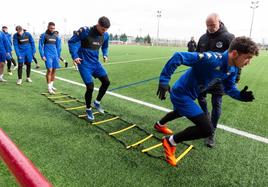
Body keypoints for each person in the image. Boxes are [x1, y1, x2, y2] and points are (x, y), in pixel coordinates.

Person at [154, 36, 258, 166]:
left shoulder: (233, 69)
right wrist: (164, 81)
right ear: (235, 53)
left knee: (179, 112)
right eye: (248, 57)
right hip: (181, 94)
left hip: (191, 94)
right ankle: (170, 142)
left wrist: (240, 96)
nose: (249, 62)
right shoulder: (212, 59)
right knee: (207, 129)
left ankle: (159, 124)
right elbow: (178, 56)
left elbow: (230, 88)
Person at [196, 13, 235, 147]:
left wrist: (236, 77)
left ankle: (211, 132)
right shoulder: (202, 38)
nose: (210, 28)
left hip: (220, 78)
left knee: (216, 103)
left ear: (219, 22)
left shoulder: (229, 38)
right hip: (203, 77)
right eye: (208, 25)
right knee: (200, 97)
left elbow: (236, 58)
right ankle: (206, 118)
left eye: (213, 25)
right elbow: (197, 56)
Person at [68, 16, 110, 121]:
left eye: (106, 30)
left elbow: (105, 46)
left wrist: (105, 54)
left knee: (106, 82)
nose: (103, 32)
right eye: (102, 29)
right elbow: (72, 42)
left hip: (95, 63)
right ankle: (88, 108)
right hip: (84, 63)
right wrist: (75, 56)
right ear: (98, 24)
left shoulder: (105, 35)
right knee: (90, 86)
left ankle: (97, 102)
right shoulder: (85, 31)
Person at [39, 22, 61, 94]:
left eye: (53, 28)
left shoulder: (56, 36)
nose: (52, 29)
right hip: (47, 55)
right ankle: (49, 88)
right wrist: (42, 55)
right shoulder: (44, 35)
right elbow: (40, 46)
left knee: (54, 70)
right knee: (49, 70)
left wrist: (58, 56)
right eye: (51, 28)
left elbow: (58, 47)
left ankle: (51, 85)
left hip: (55, 55)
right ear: (48, 27)